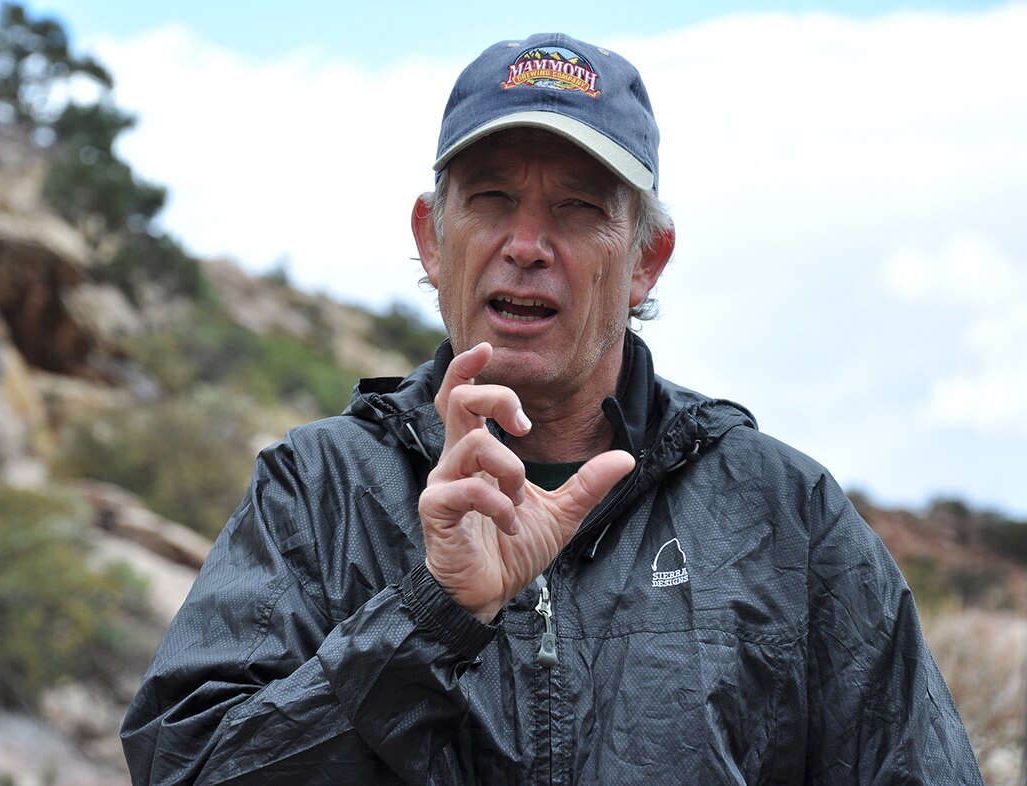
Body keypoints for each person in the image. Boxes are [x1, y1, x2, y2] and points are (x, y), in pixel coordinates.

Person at [121, 33, 983, 785]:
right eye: (492, 198)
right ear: (432, 237)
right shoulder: (317, 490)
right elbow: (185, 767)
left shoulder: (785, 516)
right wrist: (433, 614)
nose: (527, 246)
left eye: (577, 208)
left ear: (647, 258)